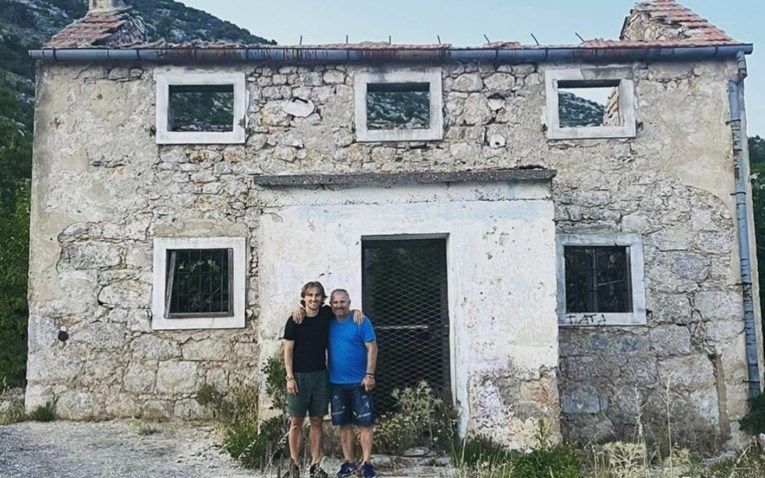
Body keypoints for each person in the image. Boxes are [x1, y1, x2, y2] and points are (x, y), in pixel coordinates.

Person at [283, 282, 362, 478]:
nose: (313, 298)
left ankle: (315, 465)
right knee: (296, 422)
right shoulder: (295, 320)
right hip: (299, 376)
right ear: (304, 297)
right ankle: (294, 465)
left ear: (322, 298)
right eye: (309, 295)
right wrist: (290, 377)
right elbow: (287, 351)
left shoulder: (326, 314)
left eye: (317, 295)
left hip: (320, 375)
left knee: (317, 421)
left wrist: (356, 312)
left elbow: (342, 311)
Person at [327, 289, 378, 478]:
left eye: (343, 302)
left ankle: (366, 464)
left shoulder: (361, 321)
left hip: (360, 382)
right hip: (336, 383)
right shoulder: (328, 322)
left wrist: (370, 374)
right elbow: (310, 311)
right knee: (344, 425)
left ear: (349, 302)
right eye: (335, 302)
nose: (339, 305)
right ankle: (348, 463)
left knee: (366, 424)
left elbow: (372, 347)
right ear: (331, 305)